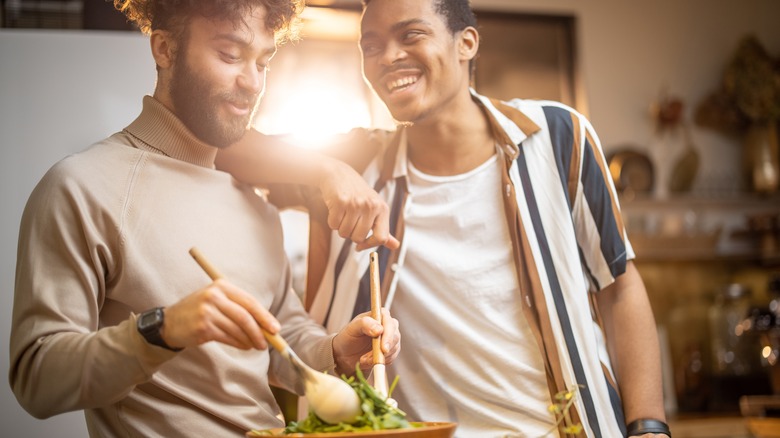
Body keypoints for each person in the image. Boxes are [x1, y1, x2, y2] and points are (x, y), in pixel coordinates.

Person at [217, 0, 672, 437]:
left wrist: (648, 426)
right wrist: (324, 168)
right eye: (371, 46)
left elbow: (619, 288)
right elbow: (223, 145)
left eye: (410, 34)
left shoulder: (558, 136)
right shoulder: (358, 163)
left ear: (466, 43)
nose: (388, 57)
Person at [7, 0, 401, 436]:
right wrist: (164, 329)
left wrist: (335, 351)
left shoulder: (255, 203)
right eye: (229, 55)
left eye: (263, 62)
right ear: (165, 49)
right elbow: (36, 379)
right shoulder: (82, 186)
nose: (252, 82)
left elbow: (281, 337)